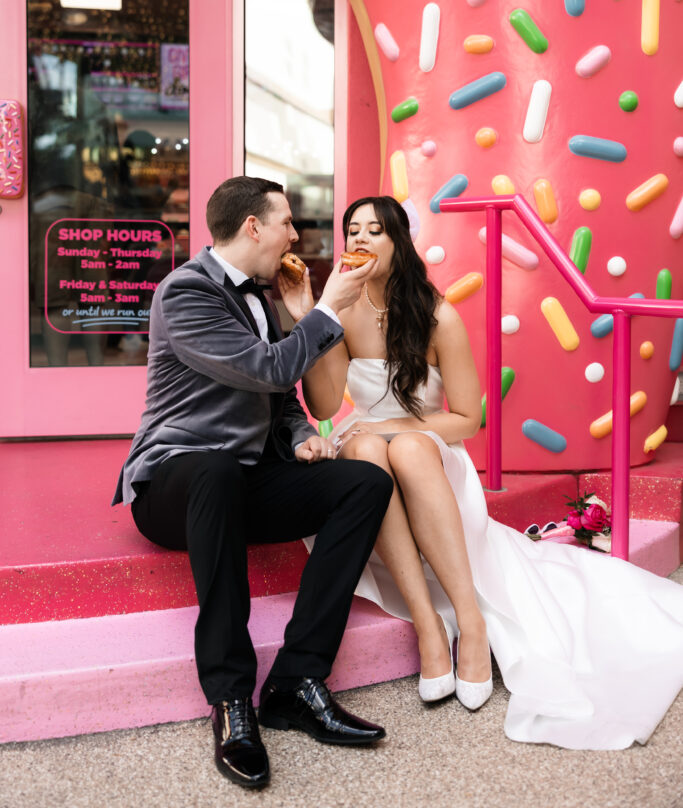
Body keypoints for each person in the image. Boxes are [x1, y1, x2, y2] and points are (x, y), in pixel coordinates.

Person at [288, 195, 683, 751]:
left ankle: (470, 622)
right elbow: (327, 407)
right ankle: (429, 625)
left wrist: (396, 426)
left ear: (400, 243)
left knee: (403, 450)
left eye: (374, 231)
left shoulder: (437, 314)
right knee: (369, 453)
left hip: (431, 456)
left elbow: (468, 419)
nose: (358, 241)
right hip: (368, 452)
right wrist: (314, 318)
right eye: (352, 231)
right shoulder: (342, 312)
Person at [112, 177, 394, 789]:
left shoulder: (265, 301)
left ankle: (297, 681)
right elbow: (265, 367)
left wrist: (297, 436)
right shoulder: (184, 291)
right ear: (253, 228)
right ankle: (231, 699)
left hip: (245, 483)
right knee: (213, 466)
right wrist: (327, 310)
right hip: (174, 485)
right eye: (287, 222)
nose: (296, 234)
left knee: (364, 484)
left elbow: (281, 395)